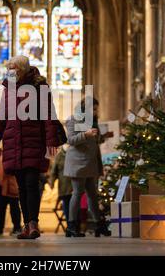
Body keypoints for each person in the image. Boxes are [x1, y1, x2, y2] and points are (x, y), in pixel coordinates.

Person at [0, 55, 61, 240]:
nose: (10, 71)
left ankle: (33, 223)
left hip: (33, 143)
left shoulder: (40, 87)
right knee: (21, 187)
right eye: (8, 68)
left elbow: (49, 116)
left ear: (22, 69)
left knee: (31, 183)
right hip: (14, 144)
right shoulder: (9, 90)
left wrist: (51, 142)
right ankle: (27, 225)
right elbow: (1, 117)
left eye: (13, 68)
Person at [63, 97, 113, 237]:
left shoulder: (93, 122)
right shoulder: (73, 119)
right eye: (94, 109)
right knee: (77, 193)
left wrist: (103, 137)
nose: (96, 112)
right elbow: (71, 140)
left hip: (91, 163)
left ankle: (99, 225)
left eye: (97, 109)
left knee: (93, 195)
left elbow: (94, 140)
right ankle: (71, 227)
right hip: (78, 163)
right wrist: (86, 134)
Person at [0, 155, 22, 236]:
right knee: (2, 209)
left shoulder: (15, 155)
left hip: (12, 186)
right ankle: (0, 228)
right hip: (3, 187)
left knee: (14, 209)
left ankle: (16, 228)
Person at [49, 145, 73, 223]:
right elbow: (54, 171)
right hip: (64, 186)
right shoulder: (59, 156)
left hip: (75, 184)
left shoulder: (74, 152)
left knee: (75, 204)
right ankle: (70, 224)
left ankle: (74, 224)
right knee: (66, 204)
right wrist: (51, 183)